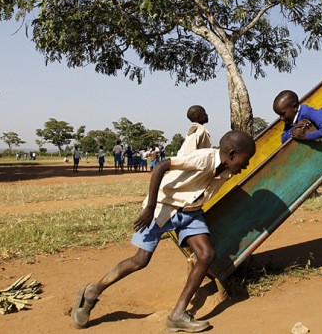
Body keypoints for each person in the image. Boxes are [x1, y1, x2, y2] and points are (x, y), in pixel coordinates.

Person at [70, 130, 256, 332]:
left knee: (206, 254)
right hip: (162, 207)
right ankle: (92, 291)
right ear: (231, 154)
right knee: (140, 260)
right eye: (245, 160)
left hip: (191, 212)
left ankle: (177, 315)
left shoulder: (228, 169)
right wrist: (150, 207)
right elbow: (160, 167)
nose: (246, 165)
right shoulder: (203, 159)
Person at [273, 90, 322, 189]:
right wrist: (293, 129)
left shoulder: (309, 113)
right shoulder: (290, 120)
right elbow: (283, 139)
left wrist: (305, 137)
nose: (281, 118)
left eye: (282, 114)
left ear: (294, 107)